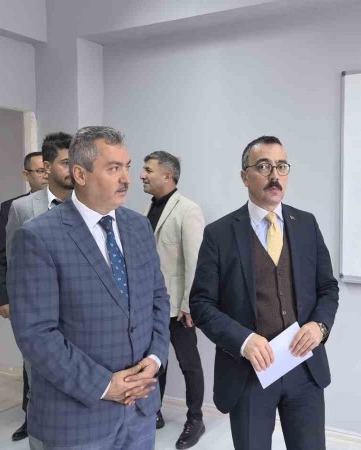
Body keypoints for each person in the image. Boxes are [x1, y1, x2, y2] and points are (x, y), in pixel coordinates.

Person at [8, 126, 170, 450]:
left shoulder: (138, 226)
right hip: (77, 421)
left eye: (127, 167)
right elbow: (36, 333)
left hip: (139, 412)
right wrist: (105, 385)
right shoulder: (39, 237)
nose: (126, 179)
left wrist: (155, 358)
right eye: (113, 168)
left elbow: (157, 298)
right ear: (80, 174)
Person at [190, 135, 339, 450]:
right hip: (249, 374)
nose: (275, 175)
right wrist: (244, 341)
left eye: (281, 166)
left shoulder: (306, 224)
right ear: (245, 176)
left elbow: (327, 287)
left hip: (304, 369)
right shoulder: (219, 234)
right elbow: (201, 304)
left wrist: (320, 326)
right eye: (263, 166)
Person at [140, 150, 206, 449]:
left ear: (167, 175)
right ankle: (154, 411)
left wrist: (189, 305)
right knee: (155, 361)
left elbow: (195, 262)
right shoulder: (148, 208)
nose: (142, 175)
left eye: (148, 170)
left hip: (178, 307)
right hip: (150, 305)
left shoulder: (188, 209)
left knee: (189, 364)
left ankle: (195, 418)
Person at [0, 150, 46, 441]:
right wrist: (3, 297)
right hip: (28, 298)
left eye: (47, 168)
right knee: (31, 360)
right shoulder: (13, 208)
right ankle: (30, 416)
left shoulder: (70, 203)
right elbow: (2, 255)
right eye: (39, 171)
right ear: (27, 175)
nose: (45, 175)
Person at [5, 132, 73, 257]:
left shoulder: (90, 204)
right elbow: (14, 259)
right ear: (47, 166)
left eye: (76, 162)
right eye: (66, 163)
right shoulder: (22, 207)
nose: (73, 168)